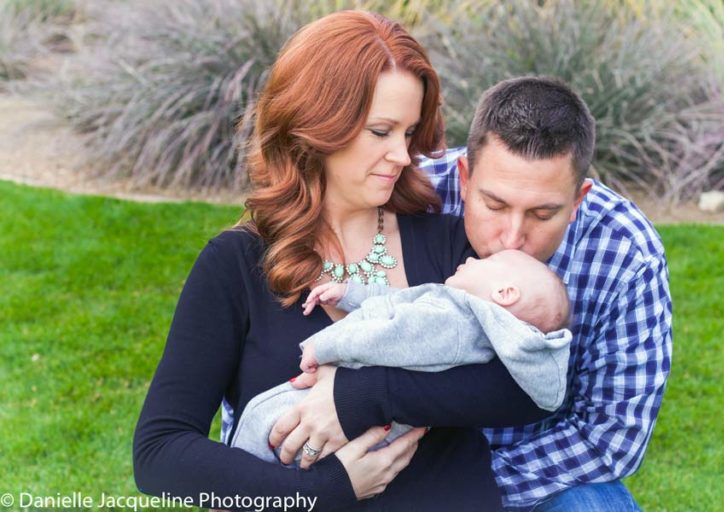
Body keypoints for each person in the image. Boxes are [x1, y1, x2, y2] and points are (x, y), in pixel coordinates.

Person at [133, 11, 548, 512]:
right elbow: (160, 452)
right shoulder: (236, 265)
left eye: (409, 132)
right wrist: (324, 491)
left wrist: (365, 392)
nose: (403, 154)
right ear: (317, 125)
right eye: (381, 131)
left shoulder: (447, 246)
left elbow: (525, 386)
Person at [271, 77, 672, 511]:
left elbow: (610, 439)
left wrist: (463, 490)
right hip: (385, 471)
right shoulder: (408, 197)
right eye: (494, 205)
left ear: (579, 200)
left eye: (543, 213)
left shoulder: (628, 254)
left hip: (527, 482)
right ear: (464, 177)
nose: (512, 238)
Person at [230, 249, 573, 465]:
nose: (472, 258)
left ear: (505, 292)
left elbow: (386, 336)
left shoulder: (455, 325)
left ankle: (238, 494)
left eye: (488, 262)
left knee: (260, 430)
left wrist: (323, 346)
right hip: (349, 412)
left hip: (342, 410)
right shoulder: (459, 313)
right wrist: (351, 293)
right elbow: (402, 300)